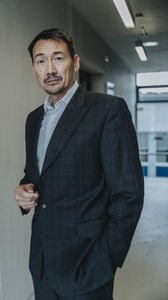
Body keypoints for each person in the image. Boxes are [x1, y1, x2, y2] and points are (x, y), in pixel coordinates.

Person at [14, 28, 144, 300]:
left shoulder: (107, 110)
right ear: (34, 68)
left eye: (58, 58)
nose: (49, 68)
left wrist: (106, 257)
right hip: (42, 264)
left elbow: (129, 193)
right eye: (40, 60)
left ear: (75, 63)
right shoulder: (33, 119)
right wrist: (24, 191)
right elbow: (34, 172)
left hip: (89, 263)